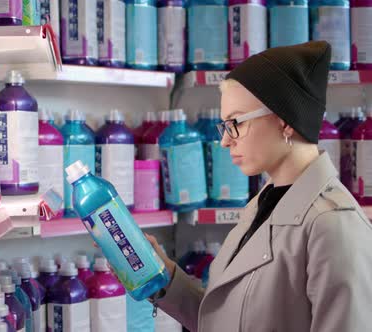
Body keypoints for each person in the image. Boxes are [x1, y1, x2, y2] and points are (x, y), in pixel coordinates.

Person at [146, 41, 372, 331]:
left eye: (236, 122)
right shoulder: (263, 203)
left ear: (285, 122)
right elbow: (229, 318)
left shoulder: (334, 227)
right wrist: (166, 277)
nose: (225, 140)